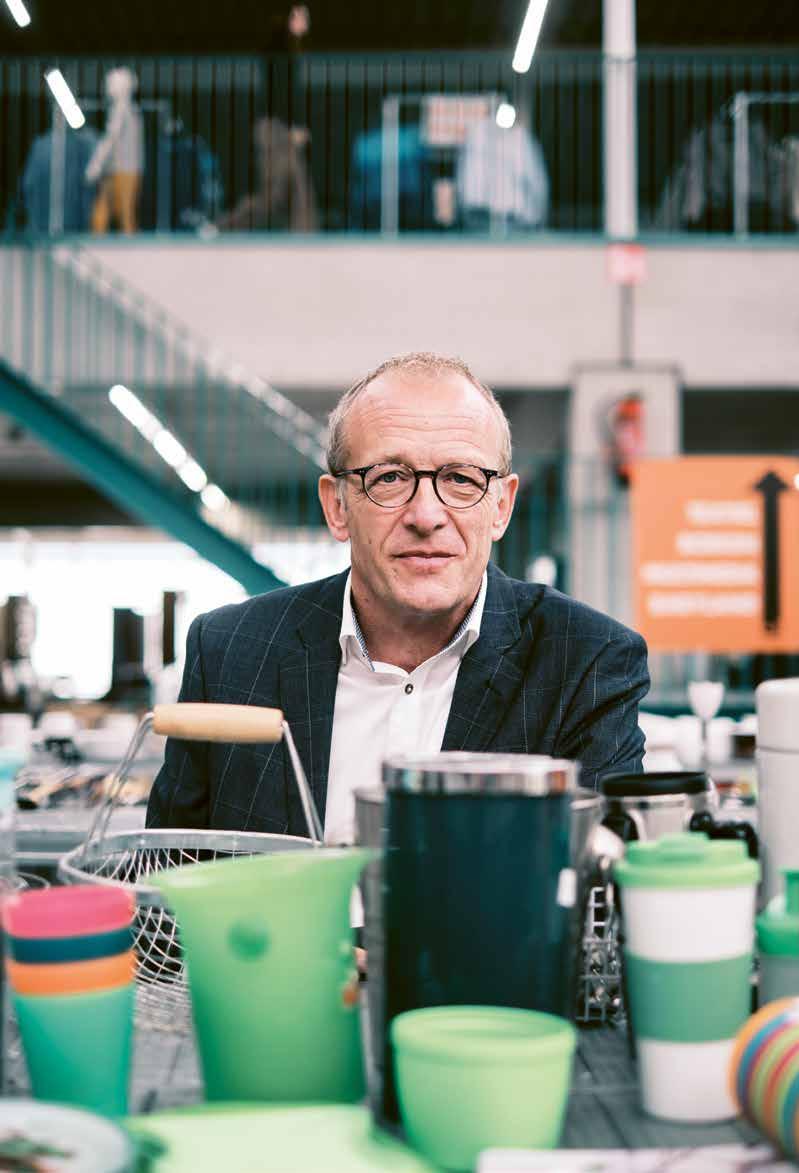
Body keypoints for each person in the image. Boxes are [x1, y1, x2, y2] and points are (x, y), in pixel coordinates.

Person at [146, 352, 649, 841]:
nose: (426, 516)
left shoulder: (586, 662)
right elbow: (168, 874)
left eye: (460, 479)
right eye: (389, 478)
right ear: (337, 506)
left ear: (501, 507)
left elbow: (596, 881)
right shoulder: (231, 652)